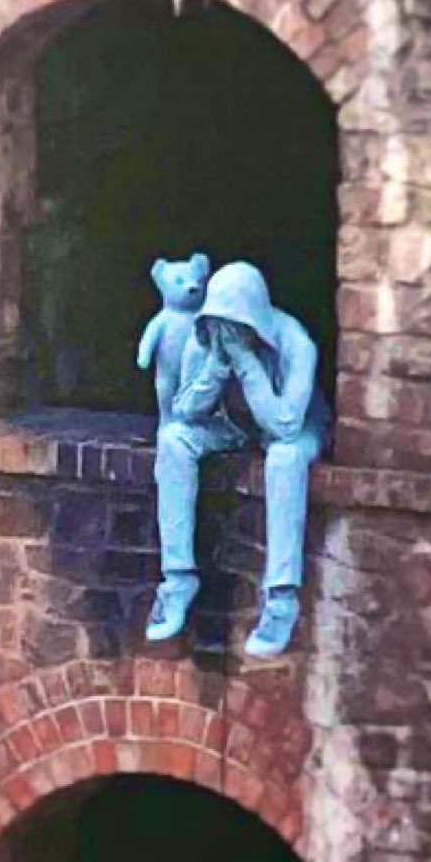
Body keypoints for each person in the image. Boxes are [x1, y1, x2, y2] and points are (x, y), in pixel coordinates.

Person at [146, 261, 331, 657]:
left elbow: (285, 424)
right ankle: (177, 580)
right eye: (217, 320)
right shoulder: (205, 339)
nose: (224, 330)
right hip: (233, 423)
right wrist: (215, 367)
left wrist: (247, 364)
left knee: (283, 459)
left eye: (234, 322)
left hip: (294, 426)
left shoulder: (296, 343)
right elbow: (184, 412)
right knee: (174, 441)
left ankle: (281, 598)